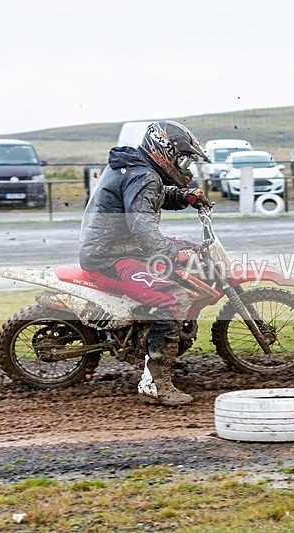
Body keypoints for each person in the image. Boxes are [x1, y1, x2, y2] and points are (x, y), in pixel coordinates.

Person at [79, 121, 210, 406]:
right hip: (113, 258)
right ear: (165, 150)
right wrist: (170, 252)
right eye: (182, 158)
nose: (184, 165)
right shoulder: (144, 176)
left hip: (115, 250)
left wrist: (182, 196)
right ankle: (155, 382)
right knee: (172, 297)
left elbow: (147, 199)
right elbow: (141, 226)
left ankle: (147, 335)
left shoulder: (134, 168)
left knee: (179, 253)